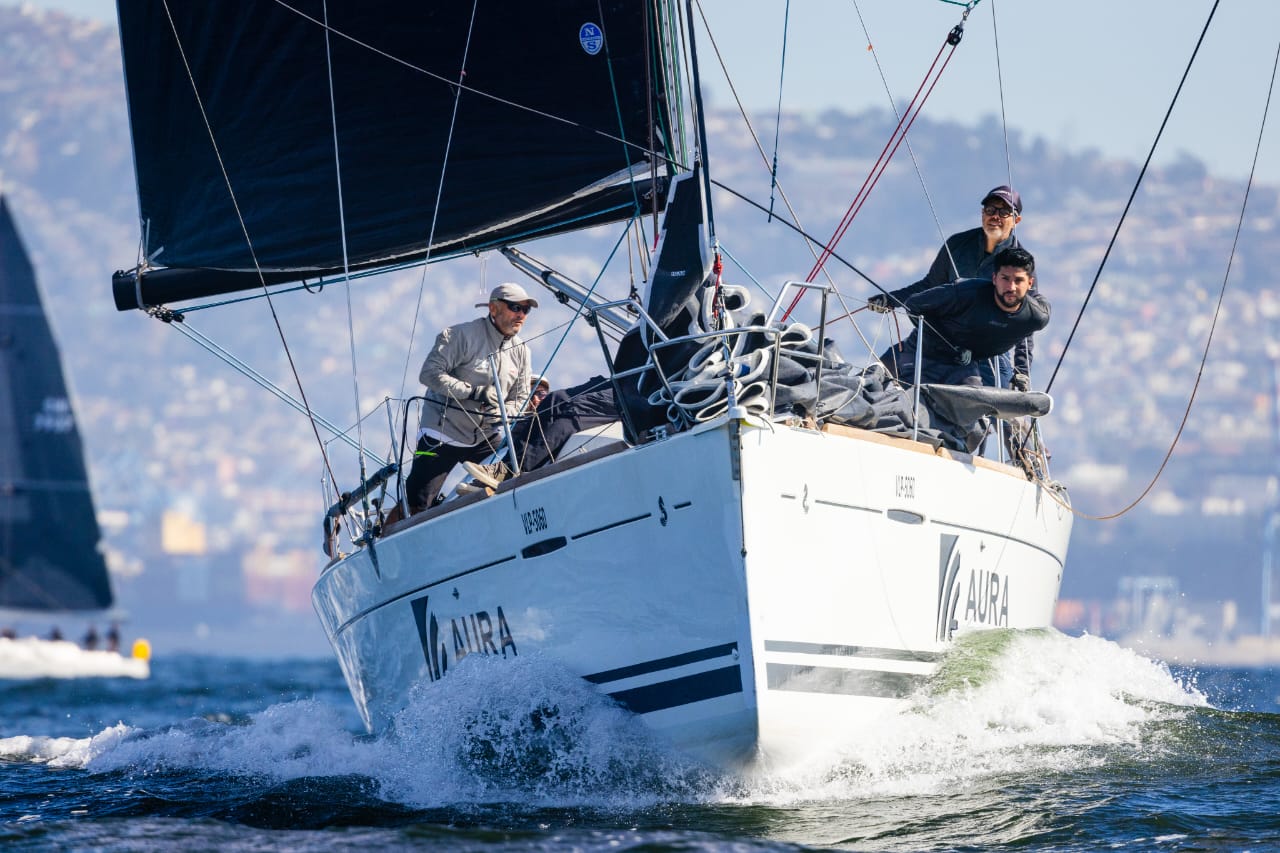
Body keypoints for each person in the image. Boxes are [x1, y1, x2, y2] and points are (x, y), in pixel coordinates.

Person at [869, 185, 1034, 387]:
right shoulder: (957, 245)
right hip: (940, 337)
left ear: (1016, 220)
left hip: (988, 353)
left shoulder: (1020, 266)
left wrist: (1022, 371)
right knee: (879, 375)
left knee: (996, 407)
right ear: (982, 213)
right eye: (990, 210)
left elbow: (1027, 321)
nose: (995, 216)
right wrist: (890, 300)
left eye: (1004, 212)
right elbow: (930, 286)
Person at [401, 282, 535, 514]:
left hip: (486, 436)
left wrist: (504, 412)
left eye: (526, 310)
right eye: (515, 307)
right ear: (493, 309)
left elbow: (521, 398)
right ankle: (388, 538)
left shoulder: (522, 350)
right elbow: (429, 374)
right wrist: (473, 392)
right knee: (417, 504)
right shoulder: (460, 335)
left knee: (514, 480)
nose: (521, 315)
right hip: (442, 434)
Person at [879, 246, 1049, 388]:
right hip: (921, 352)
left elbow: (1026, 336)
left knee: (969, 410)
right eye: (1005, 278)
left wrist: (1021, 372)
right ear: (994, 278)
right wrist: (952, 345)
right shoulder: (967, 292)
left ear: (1030, 284)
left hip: (961, 365)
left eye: (1018, 280)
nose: (1011, 287)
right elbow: (914, 305)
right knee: (879, 388)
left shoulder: (1036, 316)